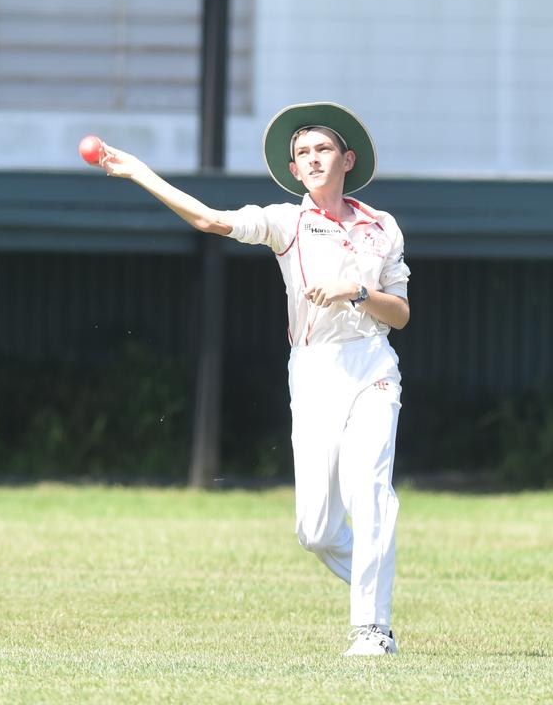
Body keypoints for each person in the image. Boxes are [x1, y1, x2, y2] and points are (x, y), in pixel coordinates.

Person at [97, 102, 411, 657]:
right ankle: (375, 577)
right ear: (294, 170)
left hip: (371, 364)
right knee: (314, 530)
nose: (313, 159)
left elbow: (401, 314)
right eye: (303, 154)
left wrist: (355, 291)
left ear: (347, 159)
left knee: (370, 491)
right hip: (314, 370)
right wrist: (141, 173)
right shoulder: (287, 222)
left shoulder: (381, 227)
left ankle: (371, 627)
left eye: (322, 150)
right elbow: (209, 220)